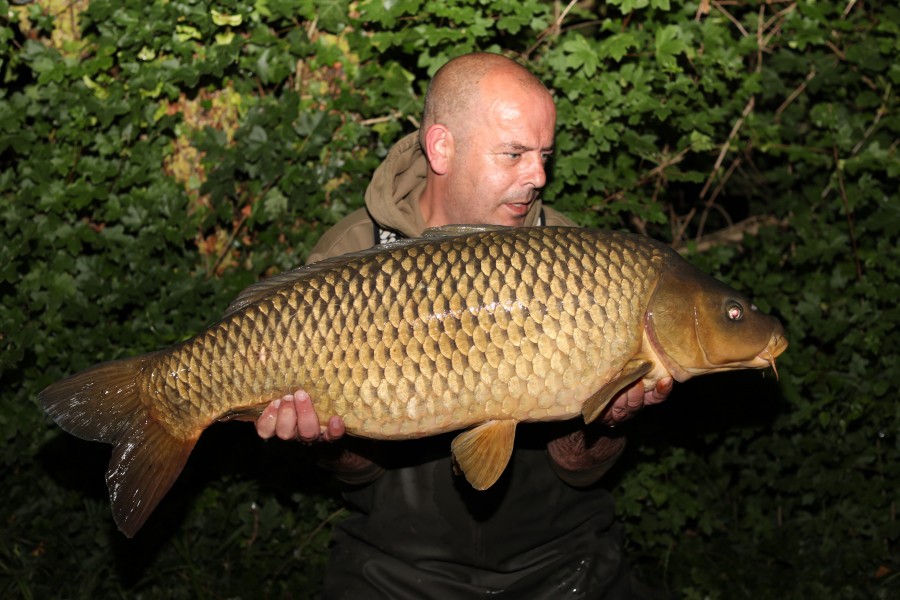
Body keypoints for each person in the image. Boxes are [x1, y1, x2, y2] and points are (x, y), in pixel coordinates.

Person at [255, 53, 672, 598]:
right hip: (396, 565)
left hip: (562, 556)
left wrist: (608, 423)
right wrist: (325, 441)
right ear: (441, 148)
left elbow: (579, 469)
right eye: (515, 154)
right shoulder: (351, 257)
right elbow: (357, 475)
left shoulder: (577, 261)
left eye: (545, 155)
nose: (539, 176)